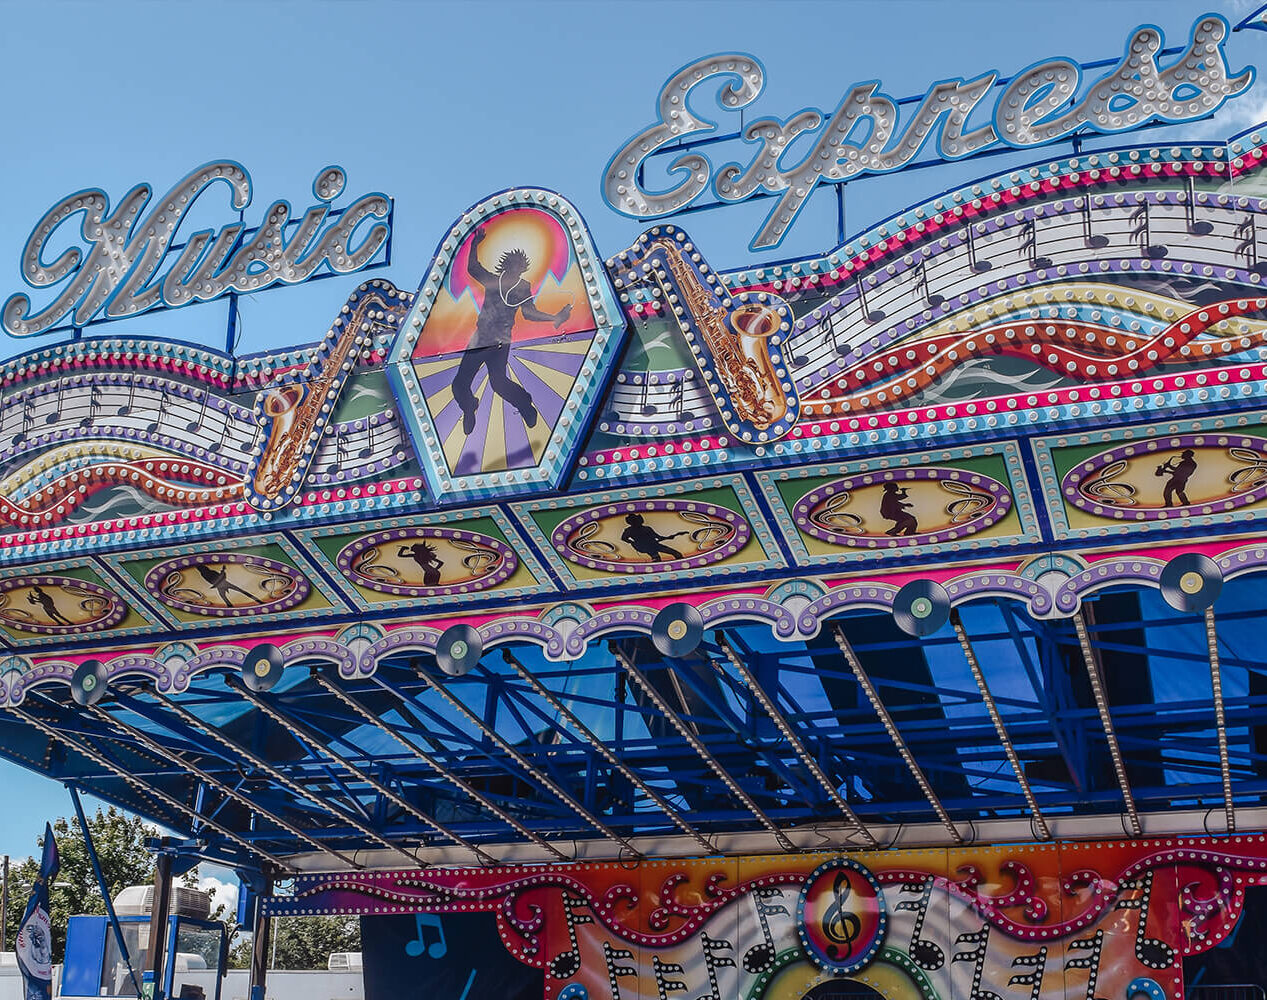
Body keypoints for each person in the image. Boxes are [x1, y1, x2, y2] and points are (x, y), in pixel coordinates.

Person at [451, 226, 572, 434]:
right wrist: (474, 244)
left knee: (498, 383)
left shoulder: (522, 286)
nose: (516, 268)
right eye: (513, 264)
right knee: (459, 384)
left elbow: (529, 312)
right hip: (480, 338)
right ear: (506, 264)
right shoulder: (492, 280)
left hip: (500, 341)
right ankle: (469, 406)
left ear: (522, 268)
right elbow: (473, 268)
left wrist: (556, 318)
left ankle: (525, 404)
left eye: (520, 266)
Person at [620, 513, 687, 561]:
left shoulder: (647, 528)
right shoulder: (629, 530)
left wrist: (669, 537)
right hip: (646, 547)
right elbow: (623, 538)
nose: (636, 522)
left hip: (654, 545)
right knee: (657, 559)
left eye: (636, 520)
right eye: (633, 521)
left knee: (677, 554)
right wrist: (633, 542)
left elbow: (658, 537)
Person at [194, 563, 259, 608]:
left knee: (228, 597)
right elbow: (220, 577)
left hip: (221, 585)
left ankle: (258, 601)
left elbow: (218, 578)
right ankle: (258, 601)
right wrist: (223, 571)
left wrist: (222, 572)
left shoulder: (204, 574)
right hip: (222, 584)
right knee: (241, 592)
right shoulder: (207, 573)